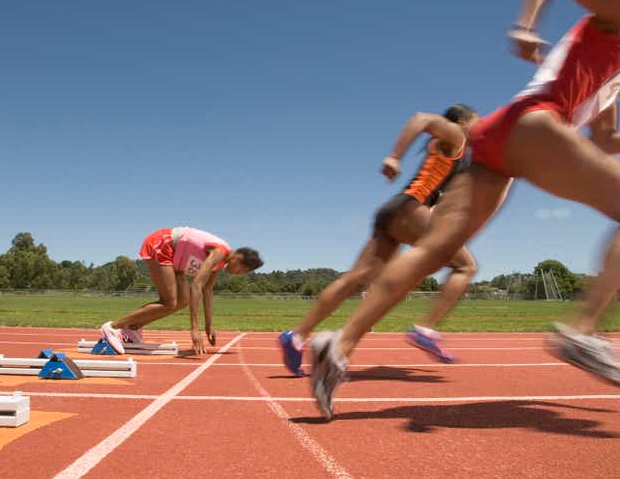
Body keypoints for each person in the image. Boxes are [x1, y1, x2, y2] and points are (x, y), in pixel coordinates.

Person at [310, 0, 620, 419]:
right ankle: (583, 329)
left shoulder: (613, 79)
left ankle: (338, 344)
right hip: (535, 124)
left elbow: (605, 139)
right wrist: (525, 25)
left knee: (436, 249)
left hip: (502, 138)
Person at [277, 104, 479, 375]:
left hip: (394, 210)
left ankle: (297, 336)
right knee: (464, 266)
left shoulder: (451, 148)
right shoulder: (456, 135)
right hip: (412, 209)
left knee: (357, 277)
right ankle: (426, 329)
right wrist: (395, 156)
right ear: (464, 120)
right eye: (476, 122)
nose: (478, 128)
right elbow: (421, 118)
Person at [101, 227, 263, 354]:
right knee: (169, 303)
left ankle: (132, 328)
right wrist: (194, 330)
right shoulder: (220, 252)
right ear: (239, 259)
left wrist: (209, 325)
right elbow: (197, 285)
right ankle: (114, 326)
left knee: (182, 302)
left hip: (177, 263)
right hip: (162, 243)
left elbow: (207, 290)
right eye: (241, 271)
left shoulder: (219, 263)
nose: (238, 274)